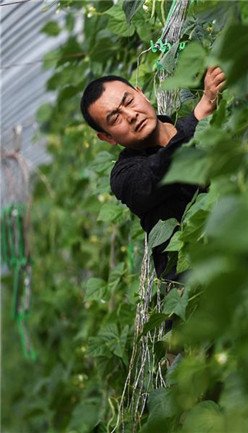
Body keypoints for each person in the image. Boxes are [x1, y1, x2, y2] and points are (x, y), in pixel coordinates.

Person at [80, 67, 226, 282]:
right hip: (203, 287)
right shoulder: (125, 176)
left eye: (129, 101)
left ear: (141, 94)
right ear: (107, 137)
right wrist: (199, 115)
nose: (131, 115)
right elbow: (158, 171)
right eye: (115, 118)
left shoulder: (197, 122)